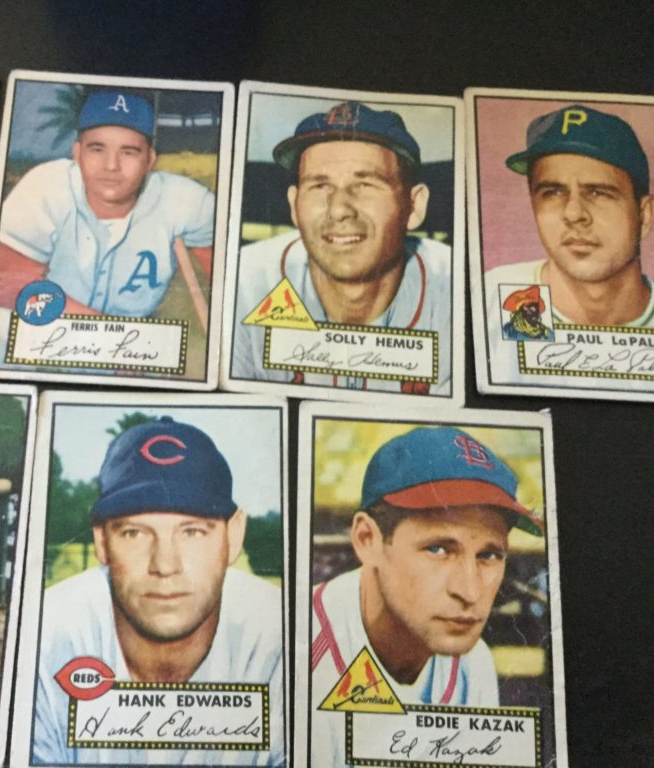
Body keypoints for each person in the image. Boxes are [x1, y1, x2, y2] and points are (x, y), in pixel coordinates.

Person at [32, 417, 284, 765]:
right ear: (102, 541)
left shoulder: (279, 640)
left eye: (193, 532)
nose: (165, 565)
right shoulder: (47, 634)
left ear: (235, 534)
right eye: (135, 533)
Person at [310, 426, 544, 766]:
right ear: (367, 540)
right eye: (438, 549)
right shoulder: (291, 648)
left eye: (489, 555)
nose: (469, 591)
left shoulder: (472, 665)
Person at [231, 101, 452, 394]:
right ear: (294, 205)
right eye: (319, 186)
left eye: (365, 185)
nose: (338, 210)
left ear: (414, 205)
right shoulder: (246, 282)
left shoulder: (454, 290)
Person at [0, 90, 216, 366]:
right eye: (97, 149)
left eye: (128, 152)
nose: (111, 166)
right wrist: (108, 338)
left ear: (149, 160)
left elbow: (224, 281)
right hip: (53, 330)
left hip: (133, 352)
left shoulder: (187, 200)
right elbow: (8, 286)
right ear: (77, 153)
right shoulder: (47, 184)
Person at [487, 104, 654, 329]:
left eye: (598, 193)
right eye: (553, 192)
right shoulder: (487, 297)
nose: (573, 214)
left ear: (644, 215)